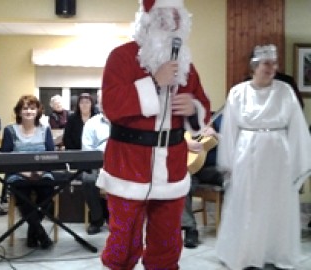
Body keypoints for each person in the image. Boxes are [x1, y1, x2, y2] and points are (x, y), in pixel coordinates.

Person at [96, 0, 212, 269]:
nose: (171, 23)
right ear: (146, 20)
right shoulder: (121, 57)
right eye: (163, 16)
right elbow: (111, 106)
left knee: (168, 243)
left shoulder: (186, 65)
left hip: (171, 165)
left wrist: (192, 109)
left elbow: (203, 106)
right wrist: (152, 83)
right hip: (128, 165)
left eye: (176, 17)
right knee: (123, 241)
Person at [216, 44, 311, 270]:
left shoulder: (285, 91)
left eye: (274, 63)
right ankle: (246, 254)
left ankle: (274, 252)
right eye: (267, 63)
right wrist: (228, 161)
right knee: (248, 202)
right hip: (247, 154)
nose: (272, 68)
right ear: (254, 66)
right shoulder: (238, 92)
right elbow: (229, 129)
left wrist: (300, 160)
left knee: (276, 203)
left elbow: (297, 127)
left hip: (279, 155)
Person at [0, 95, 55, 249]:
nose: (29, 111)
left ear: (38, 111)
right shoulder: (10, 130)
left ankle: (33, 232)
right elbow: (5, 158)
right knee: (22, 194)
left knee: (48, 192)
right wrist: (24, 172)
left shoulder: (45, 130)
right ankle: (40, 233)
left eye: (32, 108)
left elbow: (52, 156)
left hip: (41, 173)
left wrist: (38, 171)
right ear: (19, 111)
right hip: (17, 174)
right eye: (25, 108)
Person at [181, 115, 222, 249]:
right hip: (193, 167)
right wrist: (186, 144)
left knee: (233, 179)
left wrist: (217, 134)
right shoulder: (186, 121)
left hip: (214, 168)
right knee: (183, 182)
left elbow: (237, 142)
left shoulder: (220, 119)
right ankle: (190, 229)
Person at [81, 90, 109, 235]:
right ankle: (97, 219)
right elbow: (87, 148)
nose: (105, 103)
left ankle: (115, 216)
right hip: (97, 161)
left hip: (120, 163)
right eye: (102, 101)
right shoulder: (92, 123)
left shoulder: (123, 122)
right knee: (88, 180)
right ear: (98, 103)